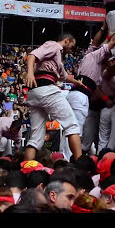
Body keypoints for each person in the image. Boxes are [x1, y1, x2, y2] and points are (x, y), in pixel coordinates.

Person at [66, 18, 115, 142]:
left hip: (77, 96)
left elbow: (96, 43)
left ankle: (67, 157)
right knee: (76, 132)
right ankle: (69, 160)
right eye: (108, 55)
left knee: (72, 131)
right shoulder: (95, 57)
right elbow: (112, 42)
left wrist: (104, 29)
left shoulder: (90, 57)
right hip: (81, 96)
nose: (109, 57)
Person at [24, 33, 84, 162]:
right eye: (71, 46)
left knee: (36, 138)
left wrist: (77, 82)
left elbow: (64, 76)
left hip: (34, 92)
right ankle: (81, 163)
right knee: (72, 125)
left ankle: (27, 169)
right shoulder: (54, 45)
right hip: (45, 88)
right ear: (67, 40)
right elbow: (32, 55)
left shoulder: (57, 59)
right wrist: (29, 73)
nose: (71, 49)